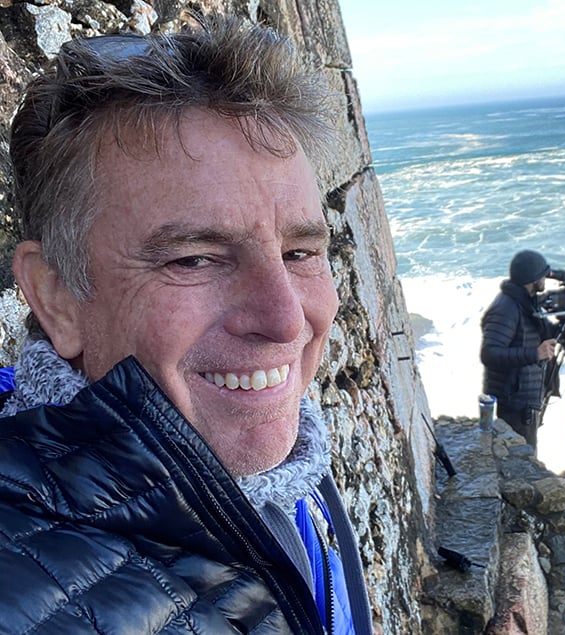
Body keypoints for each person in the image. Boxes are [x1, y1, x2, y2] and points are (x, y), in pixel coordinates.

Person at [0, 13, 372, 635]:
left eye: (300, 252)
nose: (286, 321)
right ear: (56, 296)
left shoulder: (289, 469)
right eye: (194, 259)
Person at [480, 249, 565, 452]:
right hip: (514, 403)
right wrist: (534, 354)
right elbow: (489, 354)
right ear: (533, 279)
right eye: (543, 275)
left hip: (525, 399)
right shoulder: (506, 308)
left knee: (526, 454)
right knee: (520, 457)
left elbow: (551, 336)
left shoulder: (525, 303)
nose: (546, 279)